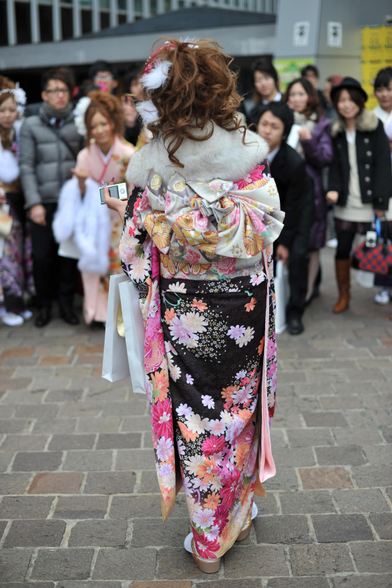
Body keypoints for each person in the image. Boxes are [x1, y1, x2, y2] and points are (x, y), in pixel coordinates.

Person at [104, 39, 284, 573]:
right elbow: (262, 226)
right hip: (243, 304)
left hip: (186, 308)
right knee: (240, 408)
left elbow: (142, 241)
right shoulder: (246, 148)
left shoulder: (153, 162)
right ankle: (240, 512)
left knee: (199, 417)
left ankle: (209, 542)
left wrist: (135, 212)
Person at [53, 91, 135, 326]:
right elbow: (79, 195)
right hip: (92, 221)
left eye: (102, 123)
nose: (98, 130)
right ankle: (95, 313)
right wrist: (80, 183)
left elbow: (134, 192)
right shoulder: (84, 156)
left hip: (117, 219)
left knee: (116, 265)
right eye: (93, 126)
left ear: (112, 122)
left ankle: (119, 316)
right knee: (90, 268)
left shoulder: (128, 154)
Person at [19, 66, 83, 328]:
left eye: (63, 90)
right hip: (42, 201)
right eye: (53, 90)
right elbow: (26, 166)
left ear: (70, 93)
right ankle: (44, 306)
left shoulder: (78, 122)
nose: (59, 95)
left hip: (70, 201)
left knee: (68, 255)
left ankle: (67, 305)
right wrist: (34, 202)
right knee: (43, 256)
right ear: (44, 95)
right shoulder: (30, 125)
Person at [326, 77, 392, 313]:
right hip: (347, 202)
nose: (346, 104)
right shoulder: (337, 130)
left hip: (373, 201)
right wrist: (332, 188)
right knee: (342, 249)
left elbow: (384, 165)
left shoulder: (373, 126)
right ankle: (344, 294)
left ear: (360, 101)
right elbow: (334, 166)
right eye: (341, 100)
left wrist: (381, 201)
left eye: (350, 99)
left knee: (386, 246)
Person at [256, 102, 313, 335]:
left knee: (297, 257)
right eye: (264, 124)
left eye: (275, 127)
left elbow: (294, 206)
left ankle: (295, 312)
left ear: (285, 132)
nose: (267, 131)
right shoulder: (249, 154)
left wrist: (286, 244)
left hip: (295, 215)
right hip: (262, 217)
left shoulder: (293, 163)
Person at [283, 77, 333, 303]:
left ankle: (309, 292)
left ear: (310, 96)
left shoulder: (321, 124)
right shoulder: (281, 120)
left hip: (312, 193)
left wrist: (309, 140)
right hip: (285, 191)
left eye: (301, 94)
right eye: (292, 94)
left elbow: (325, 158)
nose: (296, 99)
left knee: (311, 245)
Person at [0, 77, 35, 327]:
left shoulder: (20, 133)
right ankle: (8, 305)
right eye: (2, 110)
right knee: (6, 255)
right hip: (3, 202)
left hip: (19, 199)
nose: (7, 115)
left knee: (22, 252)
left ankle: (20, 300)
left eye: (12, 109)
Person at [372, 67, 392, 305]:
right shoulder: (370, 117)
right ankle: (384, 285)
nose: (385, 94)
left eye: (389, 88)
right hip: (380, 185)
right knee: (382, 236)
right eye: (380, 89)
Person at [122, 69, 143, 146]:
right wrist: (130, 124)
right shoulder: (125, 109)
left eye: (142, 82)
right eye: (135, 84)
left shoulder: (158, 104)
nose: (140, 87)